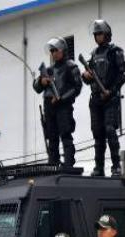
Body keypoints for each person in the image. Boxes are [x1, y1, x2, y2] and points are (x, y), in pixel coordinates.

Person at [82, 20, 125, 177]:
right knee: (97, 133)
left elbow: (122, 76)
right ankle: (98, 167)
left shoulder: (115, 52)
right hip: (96, 99)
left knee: (109, 130)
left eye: (99, 33)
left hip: (110, 98)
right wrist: (85, 76)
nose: (97, 36)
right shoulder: (93, 54)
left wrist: (111, 90)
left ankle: (116, 166)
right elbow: (88, 78)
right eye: (95, 34)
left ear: (107, 34)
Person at [34, 37, 82, 171]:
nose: (53, 53)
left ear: (63, 50)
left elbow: (76, 87)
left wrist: (61, 98)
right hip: (49, 107)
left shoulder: (71, 66)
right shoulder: (48, 70)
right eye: (52, 51)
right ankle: (53, 164)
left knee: (65, 135)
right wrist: (41, 82)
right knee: (52, 137)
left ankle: (68, 164)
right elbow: (36, 87)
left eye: (56, 50)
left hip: (63, 106)